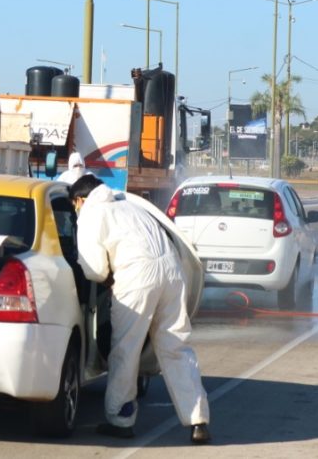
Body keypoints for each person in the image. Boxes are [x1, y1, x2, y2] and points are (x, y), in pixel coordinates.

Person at [69, 174, 211, 443]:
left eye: (75, 205)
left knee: (125, 349)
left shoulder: (91, 214)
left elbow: (96, 270)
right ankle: (198, 419)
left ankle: (121, 420)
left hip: (137, 278)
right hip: (172, 272)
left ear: (80, 199)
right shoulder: (130, 205)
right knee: (176, 347)